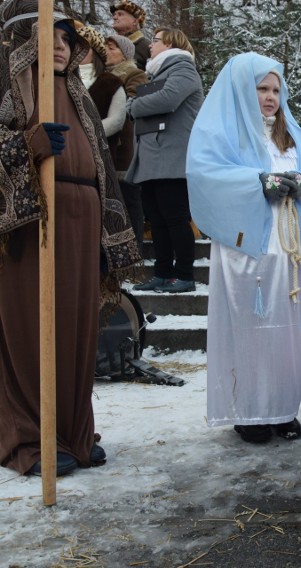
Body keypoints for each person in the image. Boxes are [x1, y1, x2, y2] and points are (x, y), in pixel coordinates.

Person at [0, 3, 140, 477]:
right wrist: (26, 148)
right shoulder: (9, 90)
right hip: (28, 226)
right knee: (30, 331)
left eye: (65, 37)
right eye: (48, 37)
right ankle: (30, 436)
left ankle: (75, 431)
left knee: (76, 328)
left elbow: (102, 161)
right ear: (22, 43)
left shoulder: (77, 92)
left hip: (82, 223)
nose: (60, 46)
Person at [186, 52, 301, 443]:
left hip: (287, 248)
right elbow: (205, 175)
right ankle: (251, 411)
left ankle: (283, 407)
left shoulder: (288, 134)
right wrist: (258, 182)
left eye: (276, 89)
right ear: (241, 89)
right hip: (246, 248)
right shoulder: (221, 131)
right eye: (262, 88)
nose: (271, 97)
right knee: (250, 326)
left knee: (284, 328)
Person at [127, 27, 202, 293]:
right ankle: (162, 273)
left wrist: (133, 106)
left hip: (173, 159)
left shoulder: (183, 68)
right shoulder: (159, 73)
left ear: (170, 44)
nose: (150, 45)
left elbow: (169, 99)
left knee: (175, 218)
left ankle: (184, 275)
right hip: (153, 160)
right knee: (156, 219)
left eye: (155, 40)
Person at [105, 33, 147, 250]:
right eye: (105, 47)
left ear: (125, 53)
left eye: (112, 48)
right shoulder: (101, 75)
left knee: (130, 202)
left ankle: (135, 250)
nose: (107, 51)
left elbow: (132, 104)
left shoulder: (135, 74)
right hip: (106, 147)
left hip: (125, 147)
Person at [110, 1, 149, 70]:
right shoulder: (108, 46)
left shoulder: (147, 47)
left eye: (120, 14)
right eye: (114, 14)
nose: (114, 17)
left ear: (135, 21)